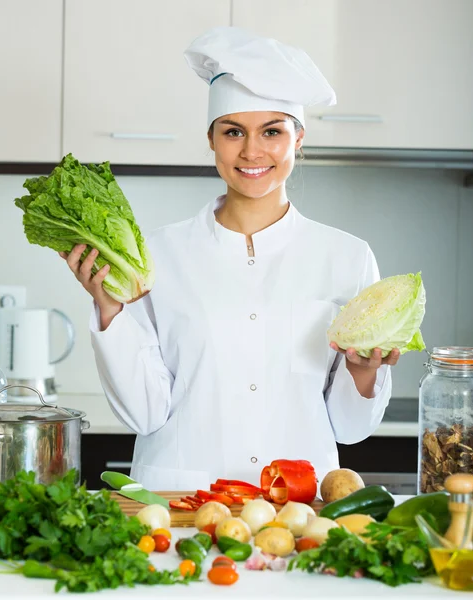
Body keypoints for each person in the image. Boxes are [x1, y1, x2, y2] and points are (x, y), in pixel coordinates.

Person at [60, 27, 399, 491]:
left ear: (298, 139)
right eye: (233, 131)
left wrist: (362, 372)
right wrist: (110, 310)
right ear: (212, 140)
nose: (252, 151)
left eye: (272, 132)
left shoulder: (348, 258)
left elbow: (350, 429)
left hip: (297, 507)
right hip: (178, 503)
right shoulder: (154, 257)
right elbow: (144, 412)